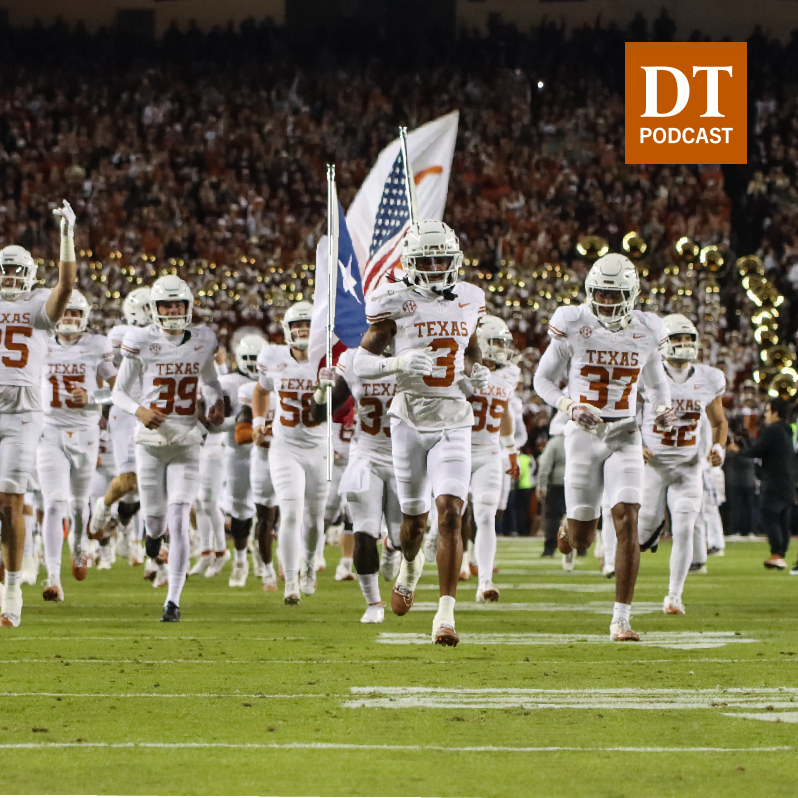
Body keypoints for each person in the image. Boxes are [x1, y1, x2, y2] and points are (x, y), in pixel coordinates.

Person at [353, 220, 488, 646]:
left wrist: (475, 371)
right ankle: (410, 567)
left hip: (453, 416)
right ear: (410, 263)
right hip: (409, 418)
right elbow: (360, 362)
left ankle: (445, 615)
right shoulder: (394, 301)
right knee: (412, 525)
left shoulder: (470, 298)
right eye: (425, 260)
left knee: (450, 512)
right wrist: (397, 363)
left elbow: (468, 348)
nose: (434, 267)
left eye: (441, 259)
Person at [533, 253, 675, 641]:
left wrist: (662, 407)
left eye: (615, 296)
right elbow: (542, 380)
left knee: (627, 516)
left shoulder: (647, 329)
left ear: (631, 295)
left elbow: (657, 383)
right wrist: (569, 405)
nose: (607, 303)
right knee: (581, 540)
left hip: (626, 433)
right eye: (600, 294)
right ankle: (569, 527)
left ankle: (622, 619)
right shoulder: (573, 322)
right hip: (583, 434)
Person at [112, 275, 224, 621]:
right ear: (155, 309)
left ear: (188, 306)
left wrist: (215, 402)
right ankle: (150, 538)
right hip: (149, 444)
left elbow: (211, 382)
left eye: (178, 304)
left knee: (178, 517)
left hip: (187, 441)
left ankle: (172, 601)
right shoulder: (141, 340)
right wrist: (140, 410)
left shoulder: (203, 340)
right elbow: (119, 392)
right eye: (166, 305)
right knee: (157, 520)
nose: (173, 310)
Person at [0, 199, 77, 627]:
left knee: (11, 504)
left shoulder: (35, 305)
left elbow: (65, 289)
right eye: (4, 270)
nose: (10, 277)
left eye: (16, 270)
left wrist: (67, 236)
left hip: (22, 413)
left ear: (28, 275)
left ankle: (12, 588)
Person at [637, 314, 727, 615]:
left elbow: (719, 422)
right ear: (664, 342)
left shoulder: (708, 377)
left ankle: (674, 596)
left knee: (686, 528)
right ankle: (643, 538)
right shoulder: (647, 372)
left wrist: (718, 448)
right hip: (655, 466)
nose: (685, 344)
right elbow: (626, 415)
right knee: (643, 529)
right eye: (678, 338)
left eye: (689, 338)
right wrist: (637, 442)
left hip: (689, 467)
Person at [37, 290, 117, 599]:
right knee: (54, 503)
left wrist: (93, 398)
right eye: (65, 313)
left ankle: (81, 548)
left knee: (79, 505)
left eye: (75, 314)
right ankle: (53, 578)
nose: (69, 319)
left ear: (84, 318)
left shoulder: (97, 346)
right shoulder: (41, 343)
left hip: (85, 433)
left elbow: (118, 389)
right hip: (51, 432)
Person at [251, 301, 331, 604]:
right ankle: (291, 581)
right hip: (285, 446)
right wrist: (259, 422)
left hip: (318, 445)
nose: (302, 331)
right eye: (297, 325)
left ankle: (309, 563)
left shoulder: (330, 359)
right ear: (287, 330)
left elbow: (346, 403)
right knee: (290, 508)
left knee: (314, 517)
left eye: (308, 325)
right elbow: (261, 390)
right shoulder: (273, 356)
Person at [317, 345, 402, 623]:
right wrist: (322, 392)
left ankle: (392, 546)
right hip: (366, 454)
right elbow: (321, 413)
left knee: (405, 537)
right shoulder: (354, 359)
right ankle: (373, 603)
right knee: (364, 531)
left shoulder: (414, 353)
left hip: (405, 456)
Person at [92, 287, 152, 566]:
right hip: (128, 414)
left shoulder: (168, 338)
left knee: (151, 484)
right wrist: (99, 403)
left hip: (156, 414)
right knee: (129, 481)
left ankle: (130, 529)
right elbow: (104, 379)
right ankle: (104, 508)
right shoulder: (118, 337)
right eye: (152, 307)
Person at [464, 315, 520, 601]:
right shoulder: (460, 367)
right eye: (497, 341)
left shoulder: (510, 373)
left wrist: (511, 450)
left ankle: (484, 582)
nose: (503, 347)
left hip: (489, 452)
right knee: (445, 519)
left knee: (485, 515)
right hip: (455, 450)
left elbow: (504, 412)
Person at [728, 397, 797, 570]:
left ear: (775, 413)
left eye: (767, 411)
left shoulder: (773, 430)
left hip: (775, 480)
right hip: (788, 480)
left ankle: (776, 553)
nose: (765, 415)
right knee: (783, 519)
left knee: (769, 513)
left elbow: (758, 450)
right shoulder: (787, 430)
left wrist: (738, 451)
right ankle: (780, 554)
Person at [537, 412, 568, 558]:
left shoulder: (555, 442)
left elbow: (545, 465)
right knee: (579, 516)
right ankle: (581, 548)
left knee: (553, 518)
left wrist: (541, 485)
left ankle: (550, 548)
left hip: (557, 483)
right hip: (578, 484)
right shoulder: (582, 440)